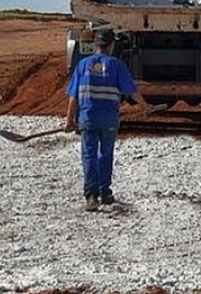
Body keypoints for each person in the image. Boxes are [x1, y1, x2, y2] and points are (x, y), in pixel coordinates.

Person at [64, 29, 149, 212]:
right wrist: (145, 106)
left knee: (89, 155)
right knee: (106, 155)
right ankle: (105, 192)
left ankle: (91, 196)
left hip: (88, 118)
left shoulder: (82, 65)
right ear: (111, 45)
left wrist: (69, 120)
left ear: (96, 44)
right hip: (109, 120)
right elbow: (132, 91)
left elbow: (73, 97)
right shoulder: (116, 65)